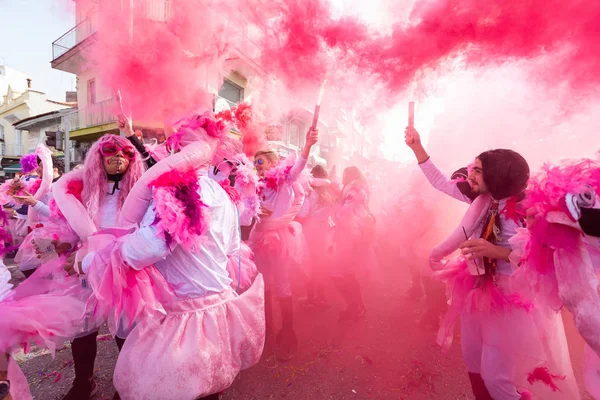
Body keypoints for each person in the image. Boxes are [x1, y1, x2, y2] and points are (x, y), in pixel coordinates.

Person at [78, 113, 264, 400]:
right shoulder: (220, 192)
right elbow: (230, 248)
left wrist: (96, 259)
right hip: (216, 310)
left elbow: (151, 247)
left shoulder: (175, 189)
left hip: (183, 319)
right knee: (207, 387)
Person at [406, 126, 579, 399]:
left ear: (496, 176)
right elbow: (441, 182)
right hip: (478, 291)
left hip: (513, 302)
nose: (469, 174)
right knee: (473, 363)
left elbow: (546, 257)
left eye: (476, 170)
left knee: (497, 379)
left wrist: (496, 251)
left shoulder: (528, 211)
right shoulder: (483, 199)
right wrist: (417, 148)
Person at [45, 134, 145, 400]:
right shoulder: (83, 191)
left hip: (124, 270)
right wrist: (63, 246)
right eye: (110, 151)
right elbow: (67, 228)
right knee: (83, 329)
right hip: (86, 270)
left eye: (127, 153)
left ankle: (126, 387)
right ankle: (83, 383)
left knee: (126, 332)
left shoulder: (139, 194)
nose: (119, 157)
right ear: (98, 157)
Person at [249, 127, 318, 361]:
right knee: (263, 285)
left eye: (260, 162)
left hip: (278, 241)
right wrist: (255, 209)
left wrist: (307, 145)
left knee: (282, 286)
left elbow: (298, 166)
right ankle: (266, 331)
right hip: (259, 240)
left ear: (273, 162)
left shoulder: (284, 180)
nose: (257, 166)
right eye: (255, 163)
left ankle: (288, 335)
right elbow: (247, 212)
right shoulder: (256, 186)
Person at [330, 166, 374, 321]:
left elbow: (344, 214)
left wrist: (334, 204)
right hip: (352, 236)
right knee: (348, 274)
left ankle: (355, 307)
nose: (342, 178)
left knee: (339, 274)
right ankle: (356, 307)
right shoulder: (356, 189)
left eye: (344, 174)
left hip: (349, 237)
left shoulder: (354, 190)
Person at [296, 165, 335, 307]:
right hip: (324, 231)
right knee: (320, 265)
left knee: (309, 264)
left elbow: (303, 214)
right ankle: (321, 297)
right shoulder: (328, 193)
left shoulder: (311, 194)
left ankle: (311, 299)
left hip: (310, 231)